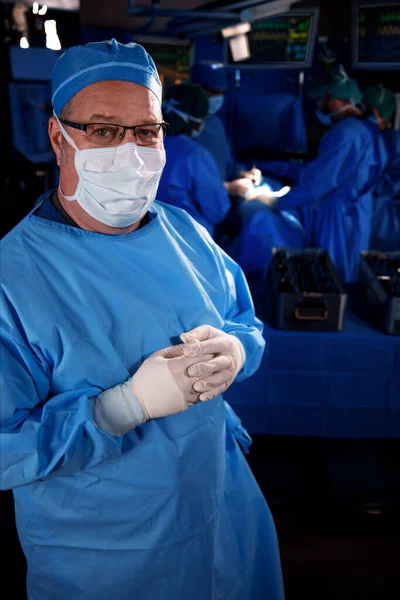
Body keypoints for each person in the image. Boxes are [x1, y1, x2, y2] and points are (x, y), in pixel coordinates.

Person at [0, 39, 285, 600]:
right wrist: (120, 409)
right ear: (59, 137)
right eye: (104, 131)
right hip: (108, 551)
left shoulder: (184, 232)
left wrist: (237, 351)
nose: (130, 150)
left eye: (146, 131)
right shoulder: (14, 277)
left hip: (222, 507)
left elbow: (243, 322)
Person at [246, 66, 388, 282]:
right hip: (358, 212)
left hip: (340, 217)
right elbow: (321, 172)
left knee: (333, 278)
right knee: (348, 277)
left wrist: (276, 201)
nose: (319, 107)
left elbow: (317, 184)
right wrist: (272, 166)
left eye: (321, 100)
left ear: (331, 98)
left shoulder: (344, 133)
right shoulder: (367, 131)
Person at [156, 82, 231, 237]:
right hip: (187, 242)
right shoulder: (194, 155)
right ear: (197, 124)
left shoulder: (140, 143)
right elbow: (216, 211)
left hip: (143, 238)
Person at [190, 60, 262, 197]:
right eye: (215, 92)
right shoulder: (178, 130)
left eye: (222, 93)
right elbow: (179, 182)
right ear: (197, 88)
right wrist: (227, 188)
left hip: (216, 204)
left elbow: (226, 164)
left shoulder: (215, 124)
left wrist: (244, 173)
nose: (219, 98)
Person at [363, 84, 400, 251]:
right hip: (368, 213)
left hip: (384, 221)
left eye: (370, 111)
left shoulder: (394, 142)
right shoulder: (364, 136)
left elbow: (390, 184)